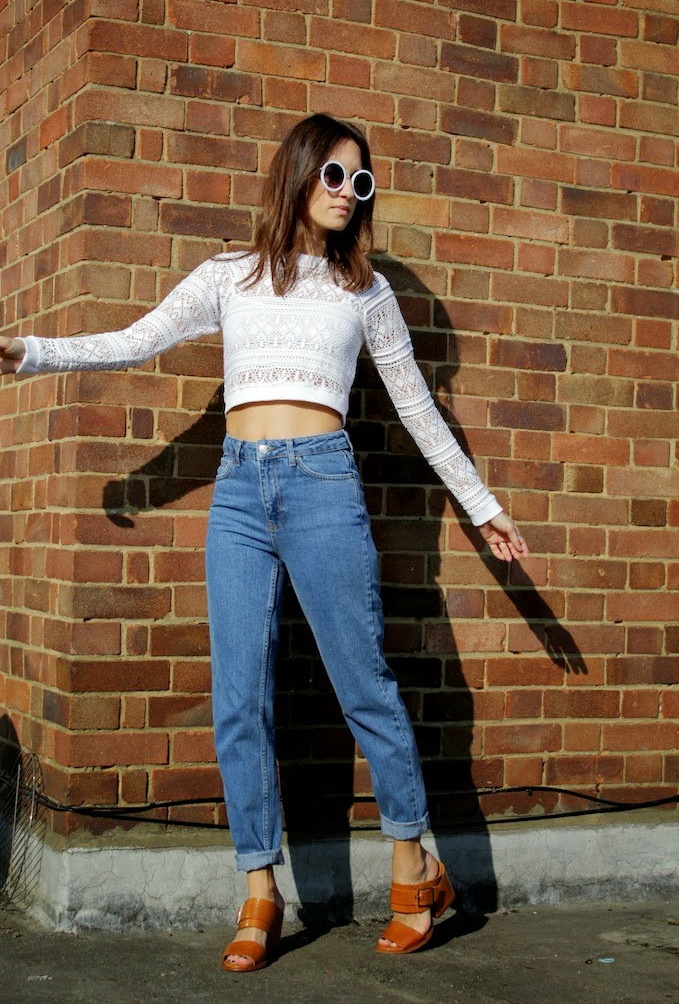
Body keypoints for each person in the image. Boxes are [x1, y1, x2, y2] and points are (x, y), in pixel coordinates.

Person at [0, 113, 529, 970]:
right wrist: (30, 352)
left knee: (363, 682)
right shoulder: (230, 277)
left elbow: (419, 410)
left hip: (323, 486)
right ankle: (259, 888)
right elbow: (136, 340)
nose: (348, 193)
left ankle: (412, 866)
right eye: (334, 174)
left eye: (361, 182)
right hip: (241, 493)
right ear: (297, 172)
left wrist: (483, 506)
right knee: (239, 696)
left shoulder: (366, 293)